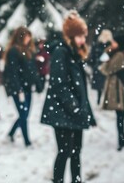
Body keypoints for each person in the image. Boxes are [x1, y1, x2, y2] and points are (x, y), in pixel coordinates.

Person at [40, 11, 96, 183]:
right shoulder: (61, 53)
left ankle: (76, 180)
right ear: (70, 36)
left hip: (75, 112)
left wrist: (87, 112)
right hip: (62, 112)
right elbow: (59, 85)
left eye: (83, 36)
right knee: (64, 152)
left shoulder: (75, 54)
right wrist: (75, 107)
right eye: (79, 36)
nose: (82, 40)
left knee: (76, 152)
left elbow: (81, 89)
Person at [3, 26, 42, 147]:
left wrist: (38, 84)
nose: (29, 39)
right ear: (20, 37)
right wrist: (18, 89)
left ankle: (10, 134)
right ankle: (27, 141)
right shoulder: (14, 51)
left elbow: (32, 70)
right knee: (24, 114)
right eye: (26, 36)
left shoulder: (28, 50)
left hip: (27, 88)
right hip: (18, 89)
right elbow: (12, 72)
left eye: (29, 36)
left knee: (24, 115)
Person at [88, 29, 113, 104]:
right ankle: (105, 102)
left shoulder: (97, 45)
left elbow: (91, 58)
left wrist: (94, 65)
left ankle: (99, 101)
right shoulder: (111, 46)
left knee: (100, 87)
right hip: (107, 68)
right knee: (107, 86)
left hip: (98, 68)